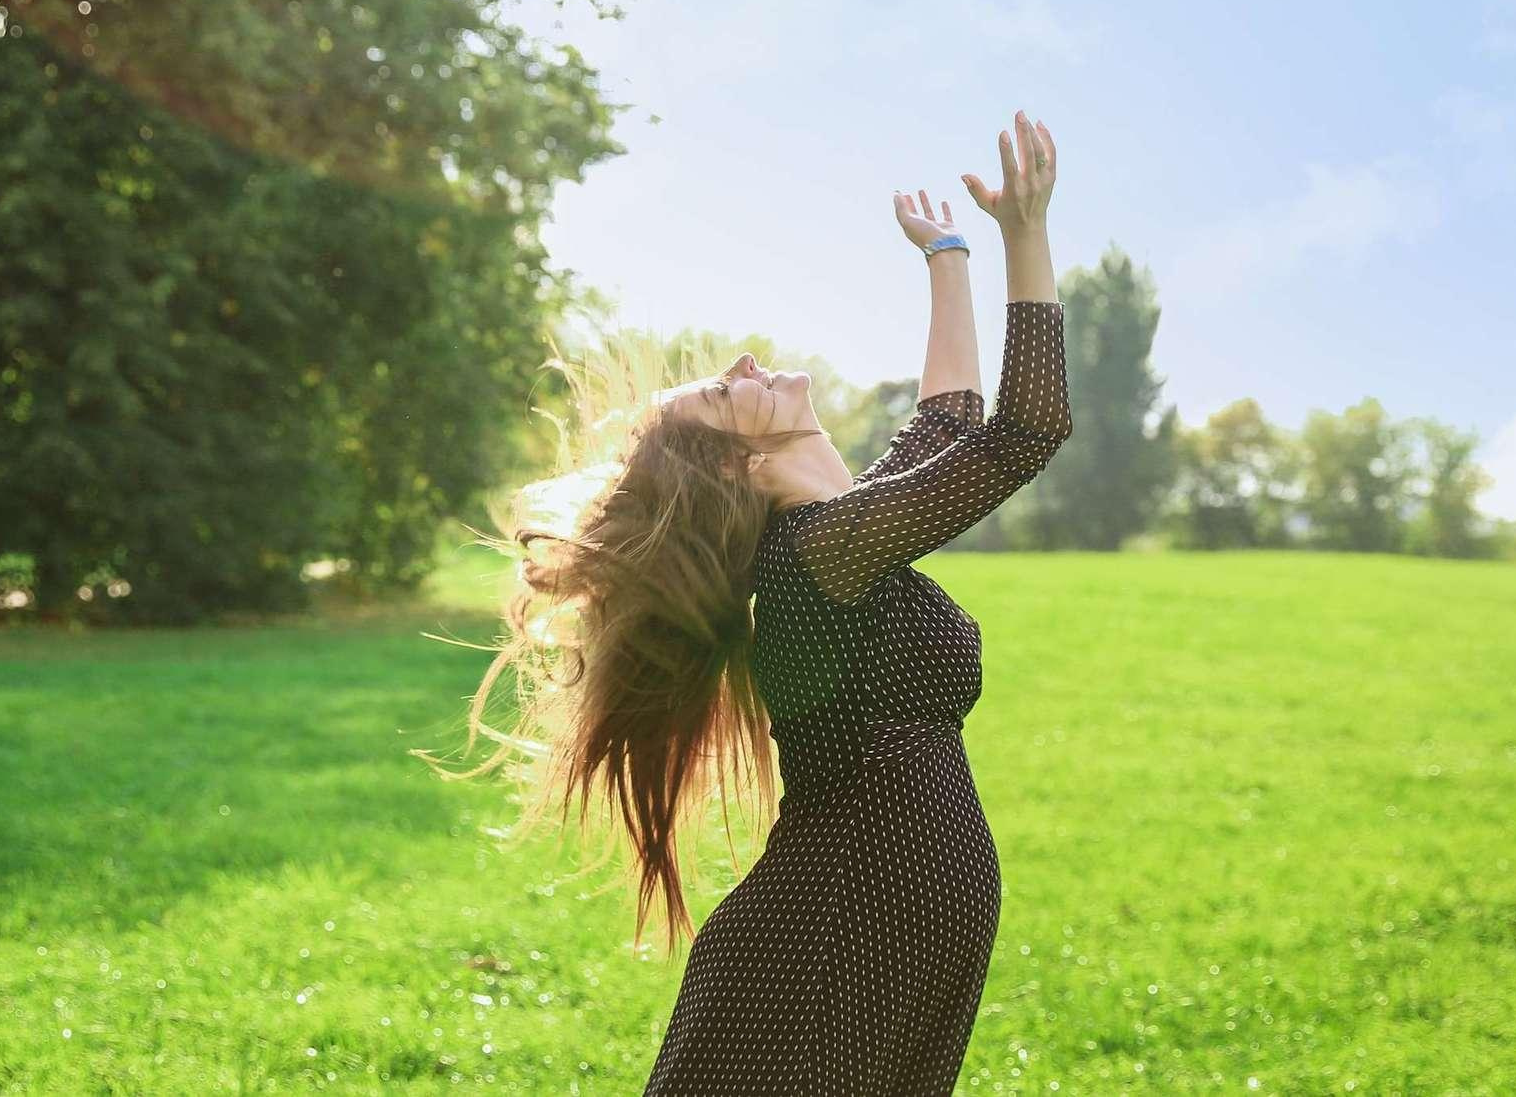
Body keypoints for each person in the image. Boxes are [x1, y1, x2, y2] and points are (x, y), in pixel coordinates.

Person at [422, 111, 1071, 1095]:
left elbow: (950, 424)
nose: (739, 366)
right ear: (738, 460)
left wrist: (946, 253)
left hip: (873, 925)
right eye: (722, 396)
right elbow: (1023, 433)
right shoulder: (817, 555)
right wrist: (1026, 232)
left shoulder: (837, 535)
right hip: (825, 941)